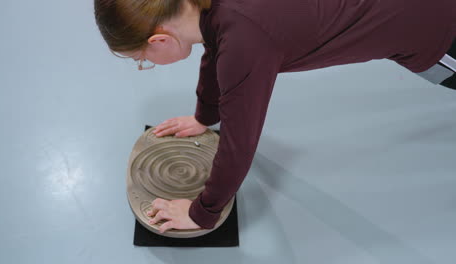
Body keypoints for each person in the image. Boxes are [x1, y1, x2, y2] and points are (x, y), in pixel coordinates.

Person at [94, 0, 456, 233]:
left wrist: (202, 213)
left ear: (159, 40)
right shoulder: (209, 12)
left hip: (435, 25)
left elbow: (240, 143)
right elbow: (214, 50)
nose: (145, 64)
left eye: (141, 59)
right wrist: (204, 116)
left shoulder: (244, 41)